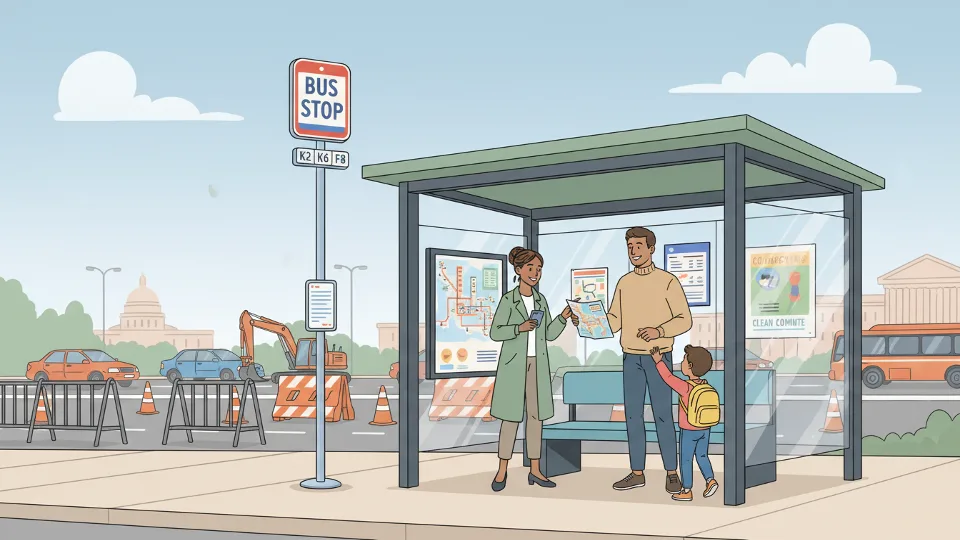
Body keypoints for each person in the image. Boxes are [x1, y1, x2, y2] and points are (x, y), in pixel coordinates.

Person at [575, 226, 692, 494]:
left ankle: (671, 472)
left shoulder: (668, 281)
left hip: (658, 357)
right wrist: (588, 321)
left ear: (651, 249)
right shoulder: (624, 283)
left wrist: (659, 331)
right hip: (631, 359)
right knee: (632, 417)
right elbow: (614, 321)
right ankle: (637, 472)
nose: (634, 251)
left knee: (663, 415)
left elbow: (685, 319)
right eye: (630, 246)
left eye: (639, 246)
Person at [488, 246, 578, 492]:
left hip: (537, 364)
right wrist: (520, 327)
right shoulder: (509, 300)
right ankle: (502, 469)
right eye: (530, 268)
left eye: (539, 269)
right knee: (510, 419)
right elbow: (495, 332)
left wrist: (563, 317)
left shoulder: (540, 300)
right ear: (518, 270)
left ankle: (535, 470)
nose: (535, 273)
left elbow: (548, 333)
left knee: (536, 418)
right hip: (513, 366)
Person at [650, 345, 720, 502]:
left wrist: (658, 361)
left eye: (684, 360)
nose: (681, 362)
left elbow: (668, 378)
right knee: (702, 455)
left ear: (690, 366)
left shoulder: (686, 387)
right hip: (705, 428)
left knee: (686, 459)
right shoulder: (705, 385)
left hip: (689, 430)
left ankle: (687, 489)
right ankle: (710, 480)